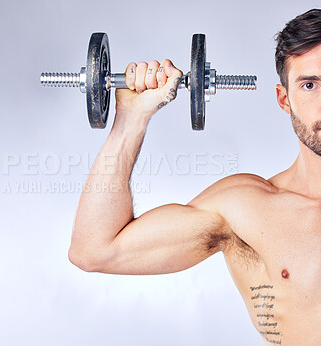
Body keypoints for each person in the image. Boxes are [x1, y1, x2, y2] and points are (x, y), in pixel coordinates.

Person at [68, 8, 321, 345]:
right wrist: (131, 119)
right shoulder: (246, 208)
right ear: (284, 99)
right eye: (310, 85)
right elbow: (95, 250)